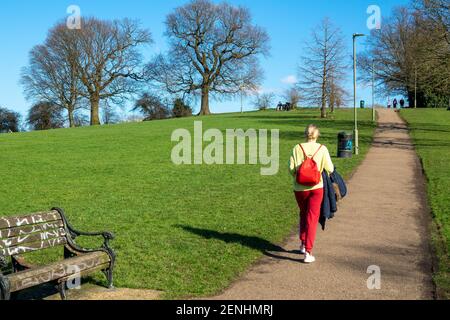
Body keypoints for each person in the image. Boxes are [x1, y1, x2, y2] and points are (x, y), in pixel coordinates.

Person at [289, 125, 334, 263]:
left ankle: (303, 243)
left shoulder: (297, 148)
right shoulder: (322, 148)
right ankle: (308, 252)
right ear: (317, 135)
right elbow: (330, 168)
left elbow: (291, 169)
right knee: (312, 218)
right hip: (316, 187)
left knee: (303, 213)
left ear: (305, 134)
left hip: (300, 189)